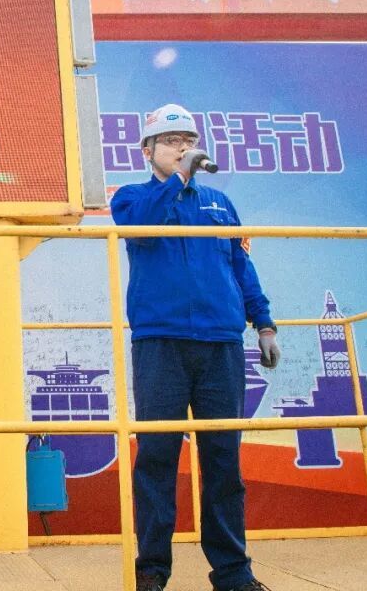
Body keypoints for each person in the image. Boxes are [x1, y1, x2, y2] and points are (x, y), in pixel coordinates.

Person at [110, 104, 282, 591]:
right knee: (157, 457)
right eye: (170, 141)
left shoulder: (220, 204)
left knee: (223, 461)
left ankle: (233, 574)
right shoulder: (131, 197)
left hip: (220, 345)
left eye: (188, 140)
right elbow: (143, 228)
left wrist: (263, 323)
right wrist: (179, 179)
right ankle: (152, 571)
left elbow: (241, 266)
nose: (182, 148)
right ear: (147, 151)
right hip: (160, 344)